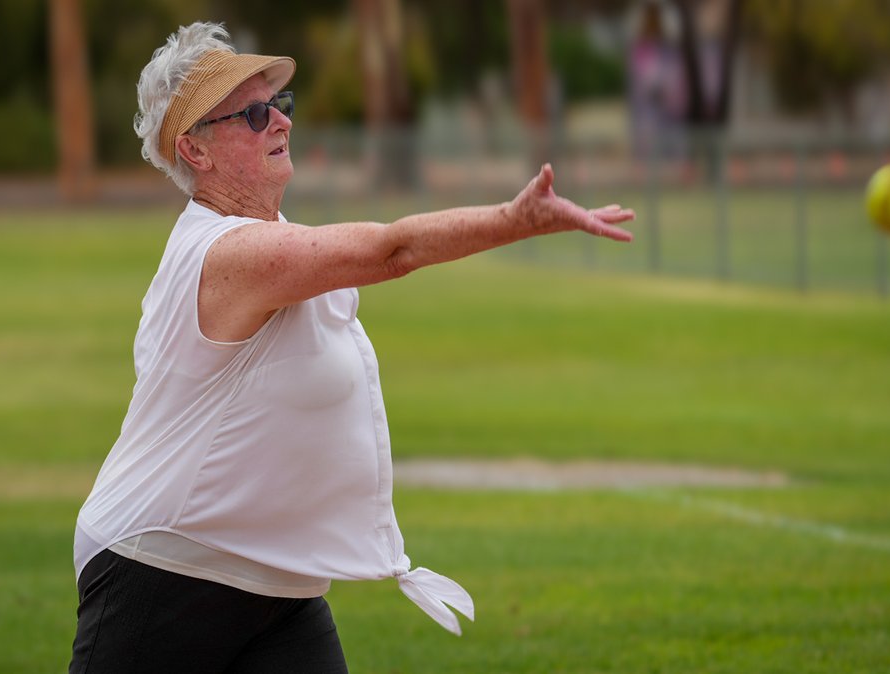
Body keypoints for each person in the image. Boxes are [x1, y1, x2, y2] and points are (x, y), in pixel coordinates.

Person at [69, 21, 634, 674]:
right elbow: (391, 250)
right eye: (253, 114)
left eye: (278, 106)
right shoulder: (227, 252)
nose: (279, 122)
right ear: (195, 150)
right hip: (160, 569)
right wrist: (514, 220)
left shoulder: (271, 235)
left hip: (276, 581)